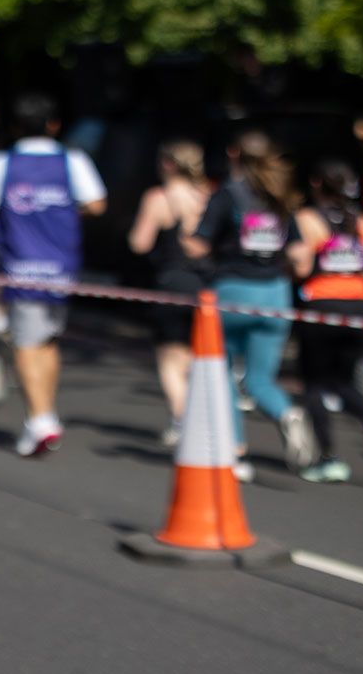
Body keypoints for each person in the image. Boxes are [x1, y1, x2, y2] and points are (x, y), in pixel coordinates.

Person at [0, 93, 105, 457]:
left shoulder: (3, 162)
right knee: (47, 340)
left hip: (21, 265)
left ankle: (40, 419)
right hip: (62, 266)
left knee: (28, 343)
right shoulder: (72, 160)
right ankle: (45, 413)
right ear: (54, 124)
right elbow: (96, 203)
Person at [185, 129, 315, 480]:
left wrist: (186, 243)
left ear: (232, 154)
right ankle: (286, 413)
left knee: (220, 372)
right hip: (275, 295)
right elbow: (301, 254)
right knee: (260, 379)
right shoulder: (281, 197)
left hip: (232, 293)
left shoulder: (226, 196)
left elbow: (199, 244)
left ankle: (234, 448)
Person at [287, 159, 363, 481]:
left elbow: (302, 268)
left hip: (322, 305)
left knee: (315, 384)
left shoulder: (308, 219)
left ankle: (329, 458)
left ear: (317, 184)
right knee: (344, 382)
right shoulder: (359, 220)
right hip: (359, 308)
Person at [127, 140, 213, 447]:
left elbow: (140, 242)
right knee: (196, 357)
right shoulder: (208, 197)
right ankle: (202, 417)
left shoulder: (158, 198)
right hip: (207, 285)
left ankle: (183, 419)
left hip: (171, 283)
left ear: (168, 164)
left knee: (170, 359)